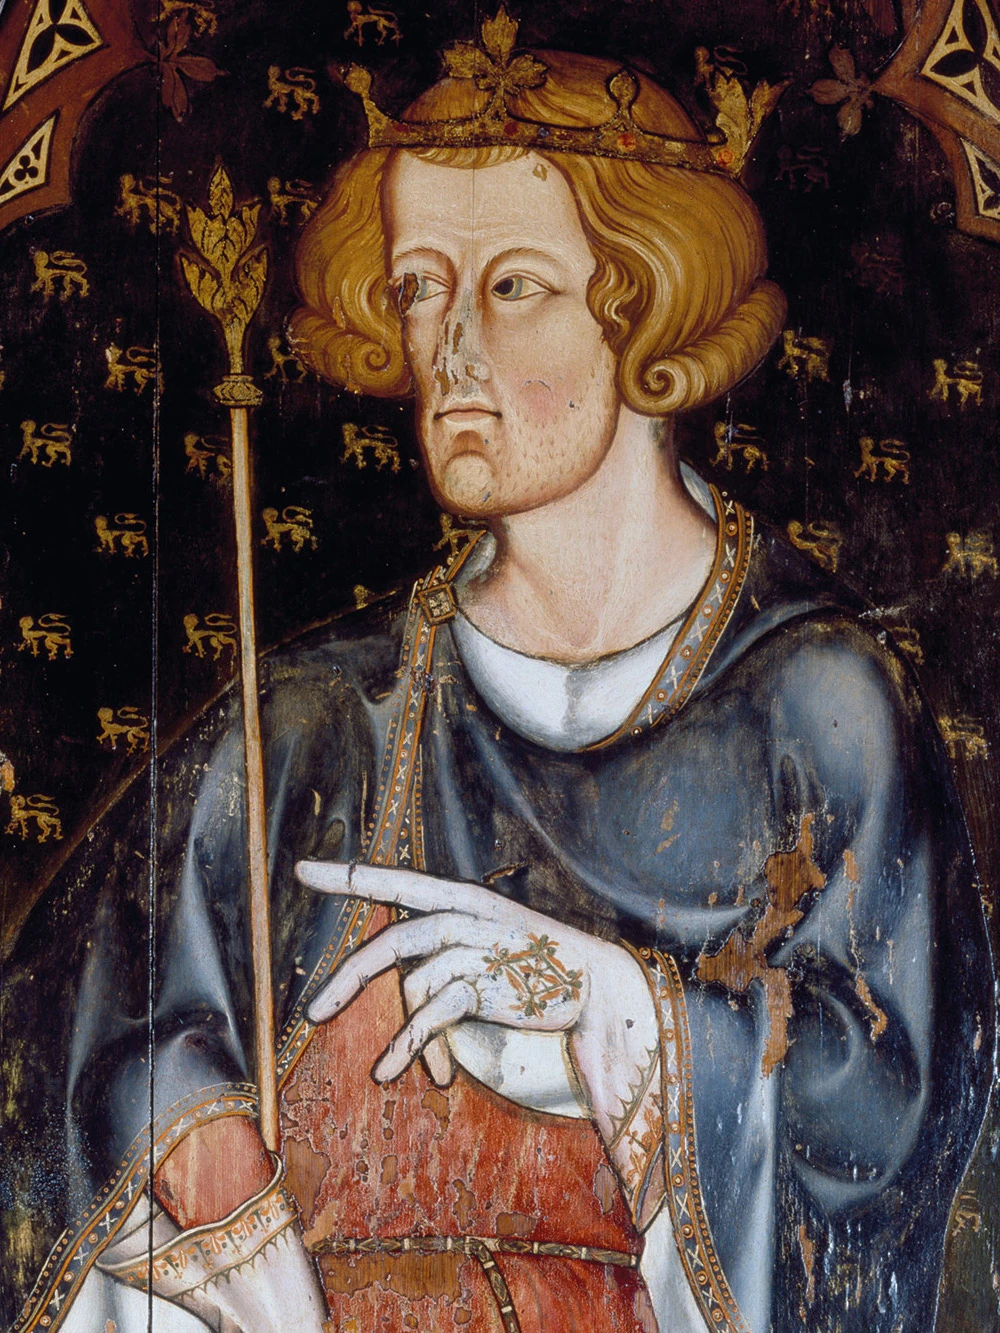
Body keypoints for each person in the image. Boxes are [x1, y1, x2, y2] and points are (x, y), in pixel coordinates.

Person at [1, 13, 993, 1333]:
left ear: (646, 306)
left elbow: (898, 1122)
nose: (452, 347)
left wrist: (623, 1015)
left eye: (514, 286)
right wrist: (205, 1181)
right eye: (421, 286)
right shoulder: (319, 723)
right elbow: (78, 1049)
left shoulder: (821, 705)